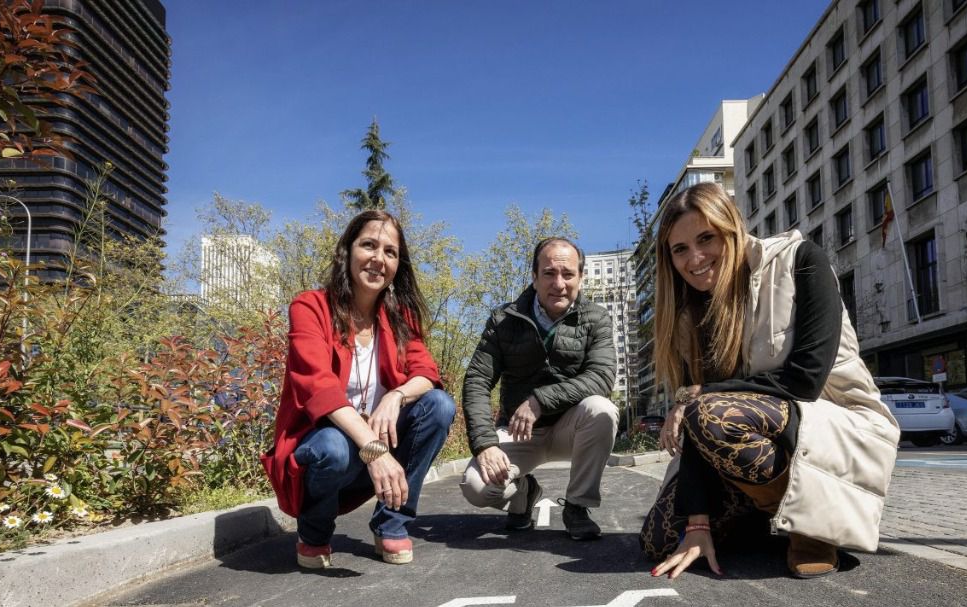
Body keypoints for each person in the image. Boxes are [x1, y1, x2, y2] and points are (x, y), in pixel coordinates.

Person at [642, 183, 899, 580]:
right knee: (658, 541)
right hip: (744, 435)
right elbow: (697, 423)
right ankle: (764, 516)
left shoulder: (801, 261)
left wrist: (700, 395)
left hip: (829, 426)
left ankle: (812, 526)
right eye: (680, 249)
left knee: (711, 412)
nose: (695, 258)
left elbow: (806, 379)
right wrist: (696, 524)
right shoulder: (689, 316)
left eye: (706, 238)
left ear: (732, 229)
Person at [262, 210, 455, 569]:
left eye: (390, 252)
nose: (378, 258)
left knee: (439, 406)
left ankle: (391, 523)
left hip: (375, 448)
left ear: (399, 264)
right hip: (326, 450)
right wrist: (375, 451)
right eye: (369, 245)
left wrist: (396, 397)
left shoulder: (400, 319)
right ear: (347, 252)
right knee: (333, 446)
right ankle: (315, 533)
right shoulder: (311, 307)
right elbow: (318, 384)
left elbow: (426, 372)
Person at [459, 237, 618, 540]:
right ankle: (524, 493)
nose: (559, 283)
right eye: (548, 273)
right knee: (475, 487)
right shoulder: (503, 320)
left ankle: (577, 506)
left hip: (570, 429)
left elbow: (601, 377)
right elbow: (477, 381)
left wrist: (539, 401)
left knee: (602, 410)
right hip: (519, 434)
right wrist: (485, 444)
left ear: (581, 278)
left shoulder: (596, 318)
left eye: (568, 274)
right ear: (533, 277)